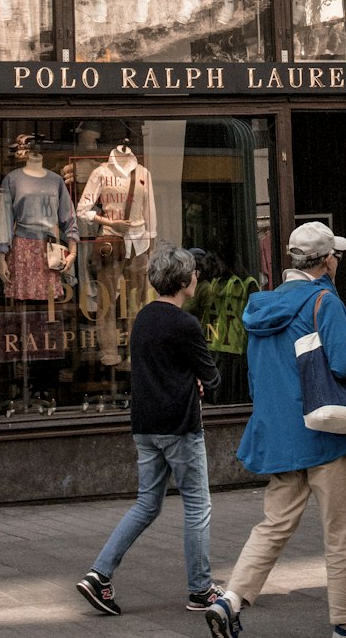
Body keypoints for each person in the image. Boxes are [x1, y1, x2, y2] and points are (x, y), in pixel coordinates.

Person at [205, 222, 346, 638]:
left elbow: (259, 377)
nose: (338, 262)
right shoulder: (324, 300)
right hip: (328, 435)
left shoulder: (261, 306)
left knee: (273, 526)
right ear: (326, 260)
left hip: (281, 437)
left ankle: (231, 599)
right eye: (337, 256)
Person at [76, 242, 221, 617]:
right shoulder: (186, 324)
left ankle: (99, 574)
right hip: (180, 427)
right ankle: (201, 590)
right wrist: (198, 380)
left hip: (145, 425)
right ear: (186, 280)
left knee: (146, 503)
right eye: (194, 273)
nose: (197, 277)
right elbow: (212, 376)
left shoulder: (142, 318)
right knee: (197, 506)